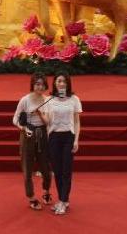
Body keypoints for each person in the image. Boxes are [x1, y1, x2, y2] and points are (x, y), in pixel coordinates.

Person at [37, 73, 81, 216]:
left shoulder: (74, 99)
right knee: (57, 170)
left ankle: (63, 200)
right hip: (54, 138)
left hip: (68, 136)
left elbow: (76, 121)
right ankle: (63, 200)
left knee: (66, 171)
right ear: (55, 84)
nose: (61, 83)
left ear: (68, 84)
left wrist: (76, 140)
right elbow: (48, 121)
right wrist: (38, 113)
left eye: (63, 81)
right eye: (58, 81)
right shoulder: (49, 100)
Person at [12, 73, 53, 210]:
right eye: (37, 84)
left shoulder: (47, 100)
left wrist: (40, 113)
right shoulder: (25, 100)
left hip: (42, 135)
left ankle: (46, 191)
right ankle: (31, 197)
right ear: (33, 85)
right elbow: (15, 119)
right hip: (27, 135)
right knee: (27, 168)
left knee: (46, 170)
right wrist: (23, 128)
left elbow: (48, 122)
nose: (40, 87)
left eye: (42, 84)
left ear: (45, 86)